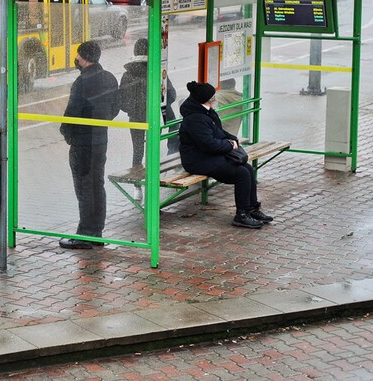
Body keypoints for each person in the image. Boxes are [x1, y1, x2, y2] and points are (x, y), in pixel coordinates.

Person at [178, 81, 272, 229]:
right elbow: (208, 144)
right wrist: (229, 145)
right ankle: (241, 215)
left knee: (247, 168)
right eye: (212, 97)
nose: (214, 99)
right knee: (241, 174)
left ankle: (252, 209)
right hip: (197, 160)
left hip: (208, 156)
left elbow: (219, 133)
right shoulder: (195, 119)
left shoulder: (207, 112)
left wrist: (233, 139)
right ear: (206, 100)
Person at [59, 41, 120, 249]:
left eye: (77, 55)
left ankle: (85, 234)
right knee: (97, 184)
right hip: (100, 141)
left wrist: (67, 133)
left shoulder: (82, 81)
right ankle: (97, 232)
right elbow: (114, 109)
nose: (75, 59)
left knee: (84, 187)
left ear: (83, 58)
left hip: (82, 143)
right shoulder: (109, 78)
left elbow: (72, 113)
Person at [118, 38, 178, 199]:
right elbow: (171, 96)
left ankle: (138, 188)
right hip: (156, 117)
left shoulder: (127, 74)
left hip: (136, 118)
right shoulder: (157, 70)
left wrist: (134, 109)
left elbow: (121, 100)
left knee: (137, 151)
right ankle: (155, 182)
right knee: (154, 150)